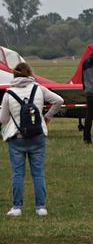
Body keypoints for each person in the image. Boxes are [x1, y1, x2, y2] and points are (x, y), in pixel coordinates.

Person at [0, 62, 63, 217]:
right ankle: (40, 207)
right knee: (38, 173)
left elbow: (3, 118)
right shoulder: (39, 88)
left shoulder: (9, 93)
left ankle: (16, 208)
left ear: (14, 75)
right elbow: (58, 100)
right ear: (29, 74)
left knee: (17, 173)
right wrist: (46, 117)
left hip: (16, 138)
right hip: (37, 136)